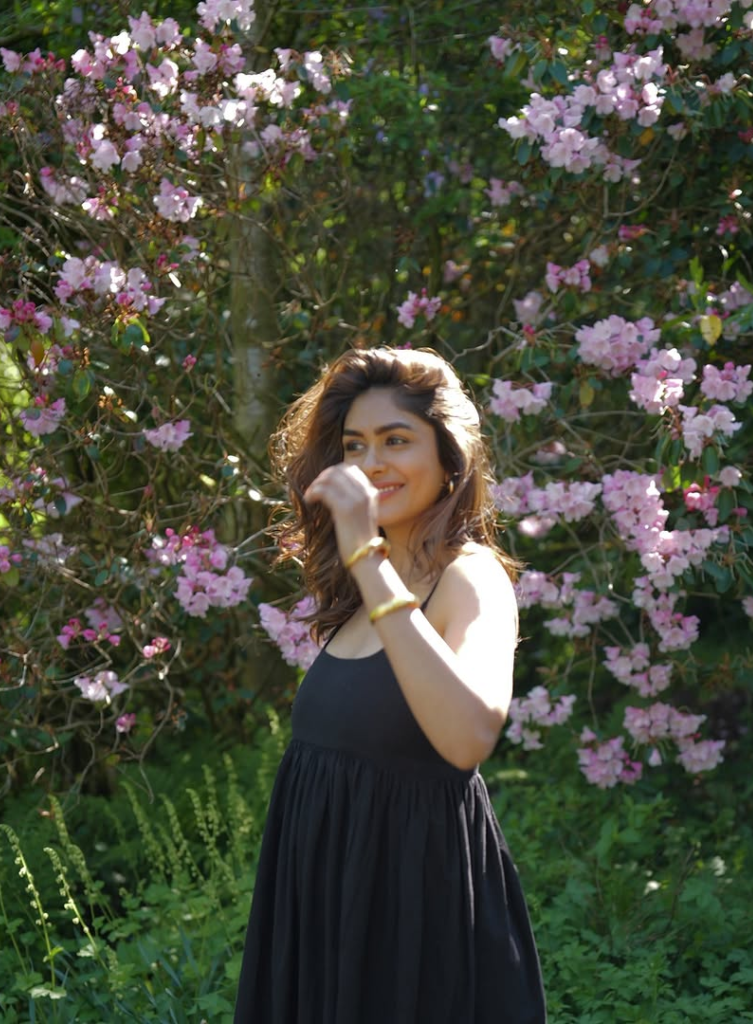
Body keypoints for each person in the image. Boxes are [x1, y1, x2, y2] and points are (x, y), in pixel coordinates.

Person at [233, 347, 546, 1023]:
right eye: (355, 446)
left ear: (449, 457)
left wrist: (366, 558)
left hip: (412, 921)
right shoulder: (363, 590)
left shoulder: (469, 577)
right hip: (324, 910)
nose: (372, 464)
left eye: (396, 440)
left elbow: (468, 736)